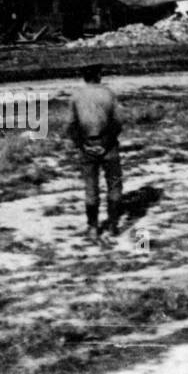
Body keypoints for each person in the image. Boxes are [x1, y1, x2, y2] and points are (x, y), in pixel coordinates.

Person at [68, 63, 124, 241]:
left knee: (91, 189)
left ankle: (93, 228)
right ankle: (114, 225)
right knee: (114, 185)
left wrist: (83, 145)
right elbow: (117, 122)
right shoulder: (108, 94)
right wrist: (106, 143)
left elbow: (71, 125)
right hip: (109, 146)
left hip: (87, 147)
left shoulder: (76, 96)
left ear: (84, 77)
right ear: (99, 75)